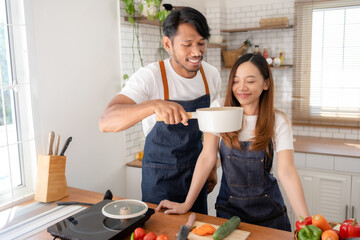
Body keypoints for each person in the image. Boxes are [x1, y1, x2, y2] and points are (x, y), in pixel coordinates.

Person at [156, 53, 310, 231]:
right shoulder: (219, 108)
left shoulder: (278, 120)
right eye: (236, 81)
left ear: (266, 84)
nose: (241, 87)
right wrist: (186, 204)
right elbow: (207, 157)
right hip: (229, 215)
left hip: (270, 215)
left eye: (250, 81)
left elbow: (287, 172)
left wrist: (306, 223)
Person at [98, 7, 221, 214]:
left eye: (201, 43)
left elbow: (212, 128)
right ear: (167, 44)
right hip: (159, 180)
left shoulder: (211, 76)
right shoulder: (151, 76)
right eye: (187, 44)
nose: (196, 52)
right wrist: (153, 105)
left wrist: (211, 167)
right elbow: (106, 121)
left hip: (196, 177)